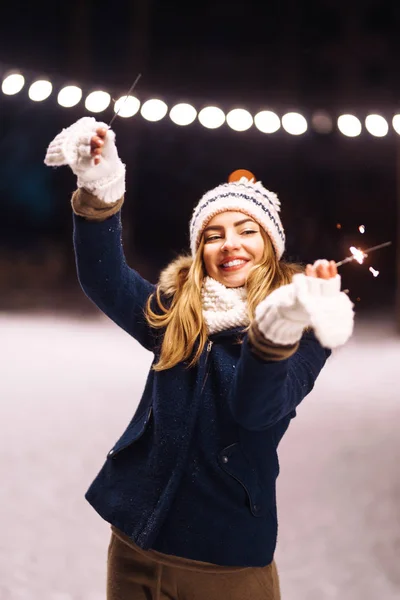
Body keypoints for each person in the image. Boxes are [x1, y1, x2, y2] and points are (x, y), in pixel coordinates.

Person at [45, 117, 354, 600]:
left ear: (270, 248)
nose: (229, 243)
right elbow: (104, 279)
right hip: (136, 548)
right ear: (199, 251)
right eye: (213, 234)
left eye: (246, 230)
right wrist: (99, 190)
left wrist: (275, 330)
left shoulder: (306, 328)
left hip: (226, 566)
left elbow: (255, 411)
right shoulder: (177, 317)